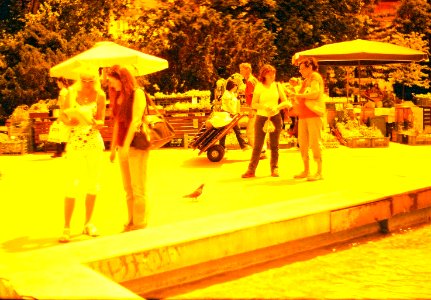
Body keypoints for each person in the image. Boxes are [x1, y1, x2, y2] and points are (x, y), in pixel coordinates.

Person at [58, 69, 106, 243]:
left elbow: (102, 120)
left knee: (93, 183)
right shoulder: (71, 93)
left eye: (91, 80)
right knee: (72, 183)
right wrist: (68, 120)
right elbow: (62, 115)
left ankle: (88, 222)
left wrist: (96, 122)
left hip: (93, 142)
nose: (87, 83)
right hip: (75, 142)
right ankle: (66, 227)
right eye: (84, 80)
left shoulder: (100, 95)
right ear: (79, 79)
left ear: (96, 79)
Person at [107, 65, 149, 232]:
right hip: (122, 147)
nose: (111, 85)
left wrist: (126, 145)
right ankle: (131, 220)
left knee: (138, 187)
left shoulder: (137, 93)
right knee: (128, 188)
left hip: (136, 146)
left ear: (121, 79)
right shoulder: (118, 95)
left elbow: (136, 121)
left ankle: (140, 223)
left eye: (112, 81)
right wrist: (113, 148)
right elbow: (117, 122)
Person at [242, 64, 291, 178]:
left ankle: (275, 168)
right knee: (258, 145)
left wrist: (277, 108)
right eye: (270, 74)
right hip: (261, 117)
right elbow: (254, 103)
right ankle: (251, 170)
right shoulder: (259, 86)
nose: (273, 76)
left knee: (275, 145)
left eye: (274, 73)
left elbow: (286, 102)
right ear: (264, 75)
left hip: (275, 117)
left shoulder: (278, 86)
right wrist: (264, 107)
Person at [292, 57, 324, 181]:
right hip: (303, 116)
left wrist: (299, 95)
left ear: (310, 67)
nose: (300, 71)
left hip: (313, 115)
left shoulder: (315, 77)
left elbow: (315, 93)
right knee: (303, 143)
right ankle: (306, 170)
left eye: (302, 69)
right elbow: (302, 97)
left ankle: (319, 172)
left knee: (315, 143)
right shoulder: (306, 80)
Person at [239, 63, 267, 158]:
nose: (240, 72)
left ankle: (260, 151)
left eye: (241, 70)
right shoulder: (253, 80)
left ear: (247, 70)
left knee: (250, 132)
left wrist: (252, 110)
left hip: (255, 110)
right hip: (259, 109)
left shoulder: (250, 81)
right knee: (257, 131)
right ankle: (262, 150)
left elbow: (255, 97)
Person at [219, 79, 250, 150]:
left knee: (226, 131)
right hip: (228, 115)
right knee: (227, 131)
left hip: (231, 115)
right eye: (235, 86)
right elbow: (228, 106)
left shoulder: (231, 93)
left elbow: (235, 104)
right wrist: (234, 113)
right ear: (231, 86)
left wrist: (237, 111)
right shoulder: (226, 95)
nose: (236, 88)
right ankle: (243, 146)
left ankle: (222, 146)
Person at [51, 77, 71, 158]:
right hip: (68, 114)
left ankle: (59, 152)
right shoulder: (67, 91)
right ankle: (64, 151)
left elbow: (62, 106)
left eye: (58, 83)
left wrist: (60, 117)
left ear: (61, 83)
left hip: (63, 115)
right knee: (66, 133)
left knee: (58, 132)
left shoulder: (62, 92)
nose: (57, 84)